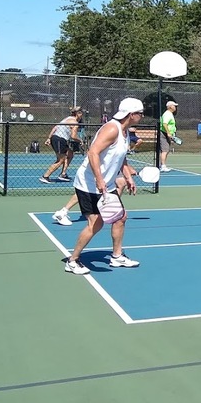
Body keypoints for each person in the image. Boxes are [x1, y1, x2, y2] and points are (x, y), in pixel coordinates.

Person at [63, 97, 144, 274]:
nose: (142, 116)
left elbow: (120, 156)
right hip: (89, 184)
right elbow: (93, 153)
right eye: (140, 113)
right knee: (96, 223)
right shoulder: (112, 129)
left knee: (120, 217)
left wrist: (128, 176)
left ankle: (117, 256)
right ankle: (72, 260)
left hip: (106, 184)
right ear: (131, 115)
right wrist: (99, 180)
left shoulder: (124, 132)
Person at [41, 106, 83, 183]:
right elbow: (73, 136)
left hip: (57, 138)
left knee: (70, 154)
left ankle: (63, 174)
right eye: (81, 113)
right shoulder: (75, 123)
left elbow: (55, 128)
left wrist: (49, 138)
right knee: (61, 160)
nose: (81, 116)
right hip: (59, 139)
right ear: (78, 114)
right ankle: (45, 176)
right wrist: (80, 140)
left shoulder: (66, 119)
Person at [158, 100, 178, 172]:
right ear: (170, 107)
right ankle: (163, 166)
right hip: (164, 134)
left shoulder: (170, 114)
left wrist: (172, 134)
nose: (175, 107)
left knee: (166, 150)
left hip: (167, 134)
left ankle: (162, 165)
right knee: (165, 150)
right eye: (174, 106)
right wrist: (168, 133)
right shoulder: (167, 114)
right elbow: (164, 124)